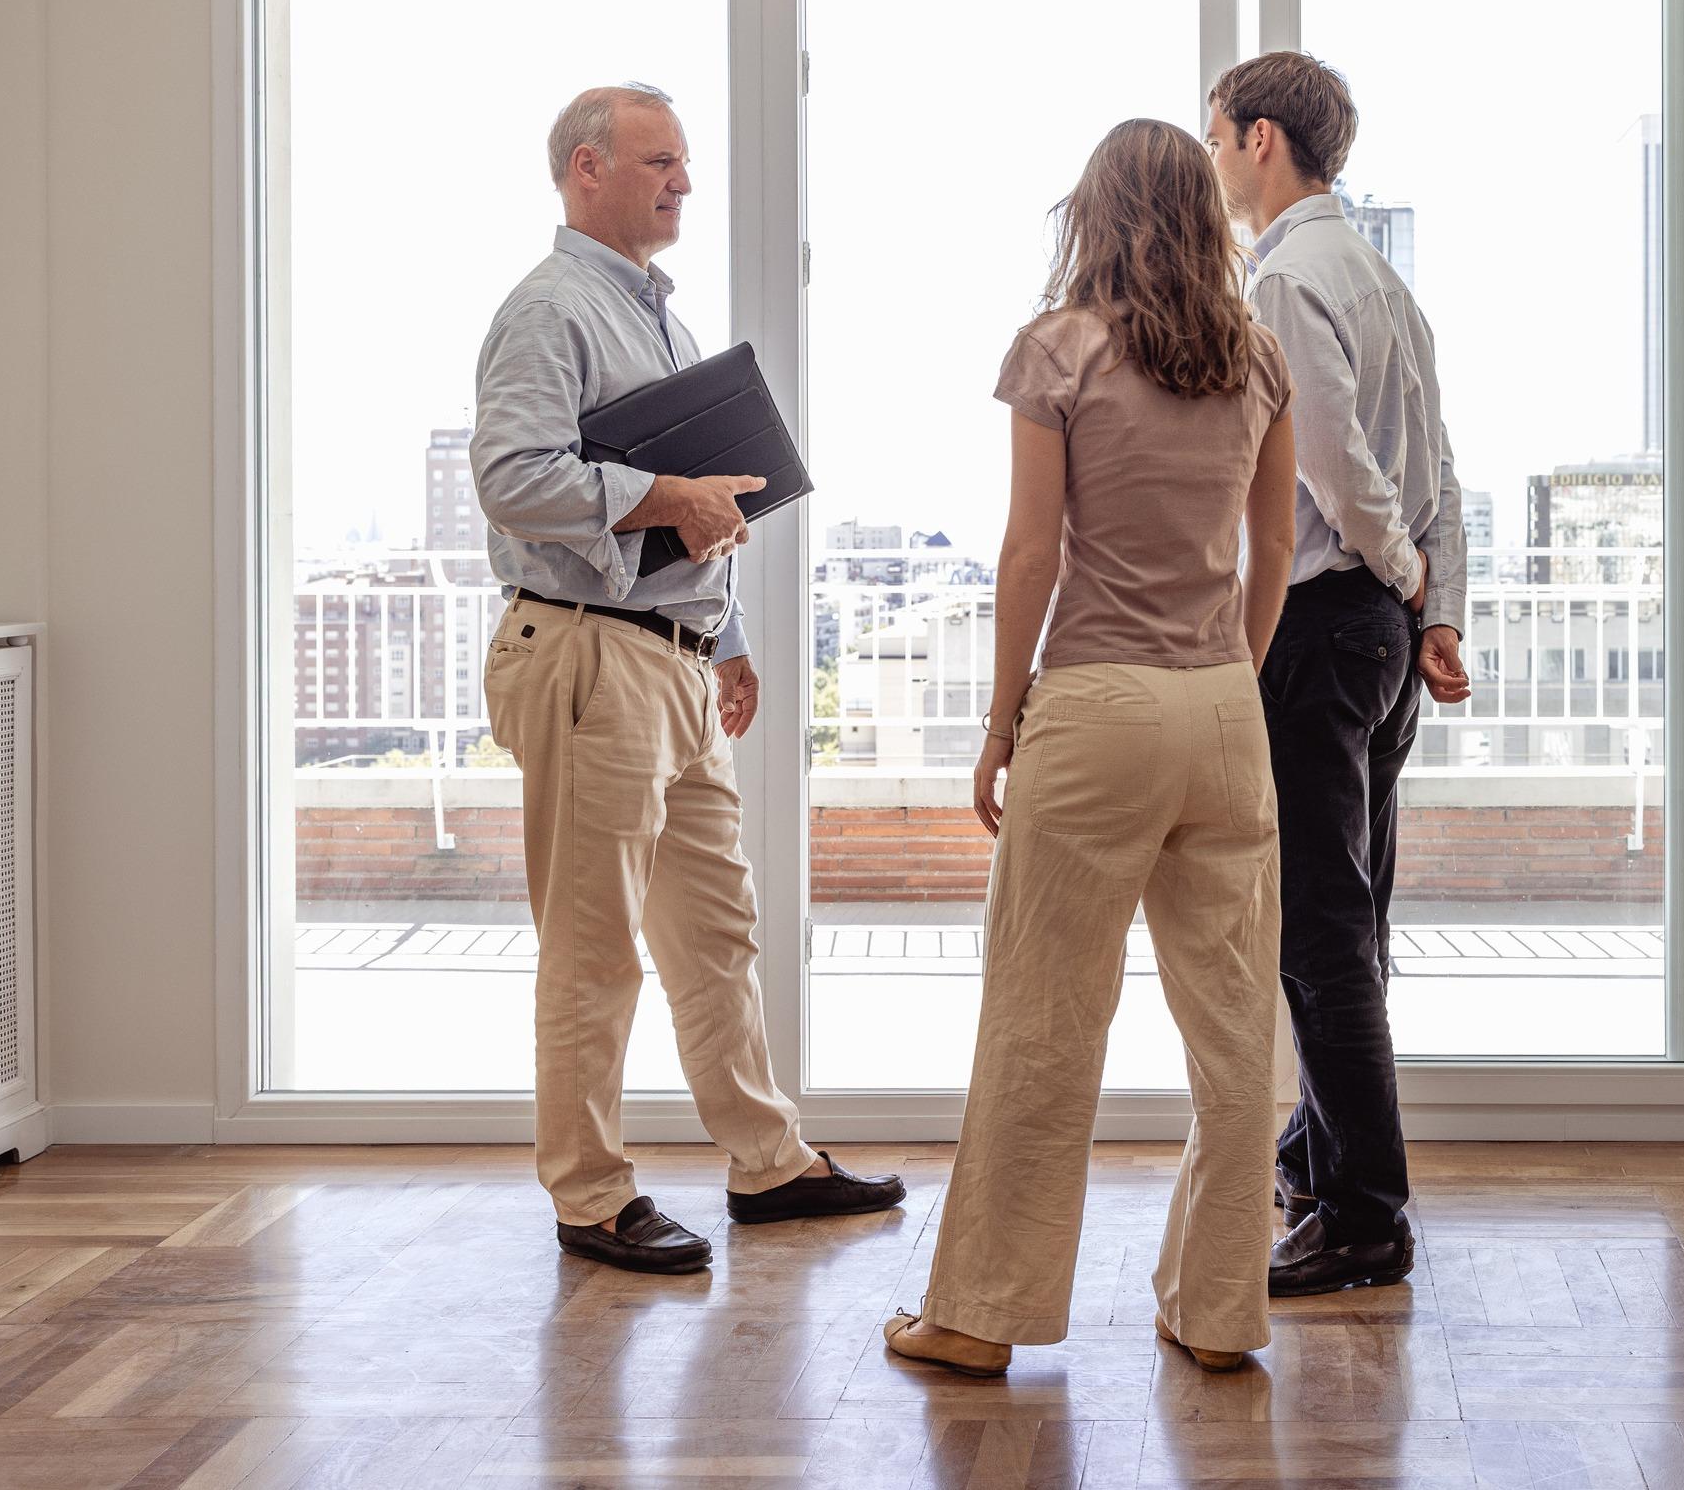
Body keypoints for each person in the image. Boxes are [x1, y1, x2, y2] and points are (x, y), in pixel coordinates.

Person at [880, 119, 1300, 1378]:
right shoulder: (1257, 356)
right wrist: (1231, 674)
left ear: (1095, 212)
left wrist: (1000, 719)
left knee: (1044, 1016)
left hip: (1097, 708)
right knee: (1236, 1030)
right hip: (1222, 708)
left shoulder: (1058, 347)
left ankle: (980, 1315)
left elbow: (1031, 553)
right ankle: (1217, 1311)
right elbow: (1275, 547)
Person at [475, 83, 903, 1274]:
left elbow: (696, 510)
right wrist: (669, 496)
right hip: (589, 656)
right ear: (586, 168)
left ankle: (767, 1162)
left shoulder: (656, 321)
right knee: (595, 944)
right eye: (659, 161)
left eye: (684, 163)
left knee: (716, 928)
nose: (684, 182)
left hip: (670, 661)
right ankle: (590, 1195)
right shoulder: (549, 310)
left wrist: (728, 637)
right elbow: (513, 478)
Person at [1205, 52, 1473, 1297]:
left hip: (1323, 624)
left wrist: (1399, 571)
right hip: (1380, 633)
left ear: (1261, 139)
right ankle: (1321, 1155)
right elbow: (1444, 473)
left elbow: (1327, 460)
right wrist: (1433, 607)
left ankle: (1365, 1215)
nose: (1214, 161)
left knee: (1316, 924)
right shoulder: (1382, 279)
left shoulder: (1285, 276)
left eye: (1217, 137)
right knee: (1351, 919)